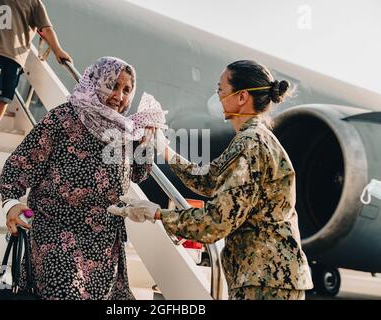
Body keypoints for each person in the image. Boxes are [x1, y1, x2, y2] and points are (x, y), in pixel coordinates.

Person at [108, 60, 314, 300]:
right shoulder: (253, 139)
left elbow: (214, 223)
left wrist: (156, 214)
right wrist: (166, 151)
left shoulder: (249, 145)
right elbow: (210, 179)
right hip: (270, 277)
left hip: (265, 280)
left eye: (221, 90)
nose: (217, 97)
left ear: (241, 97)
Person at [0, 57, 162, 300]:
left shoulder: (126, 130)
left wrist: (147, 139)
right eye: (113, 86)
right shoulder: (64, 117)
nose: (120, 96)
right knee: (64, 293)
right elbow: (22, 162)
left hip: (103, 241)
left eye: (127, 90)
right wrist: (11, 203)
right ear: (96, 83)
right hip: (56, 231)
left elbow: (138, 174)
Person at [0, 0, 72, 127]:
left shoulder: (35, 4)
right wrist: (57, 50)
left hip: (1, 52)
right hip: (10, 54)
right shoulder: (35, 3)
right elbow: (46, 29)